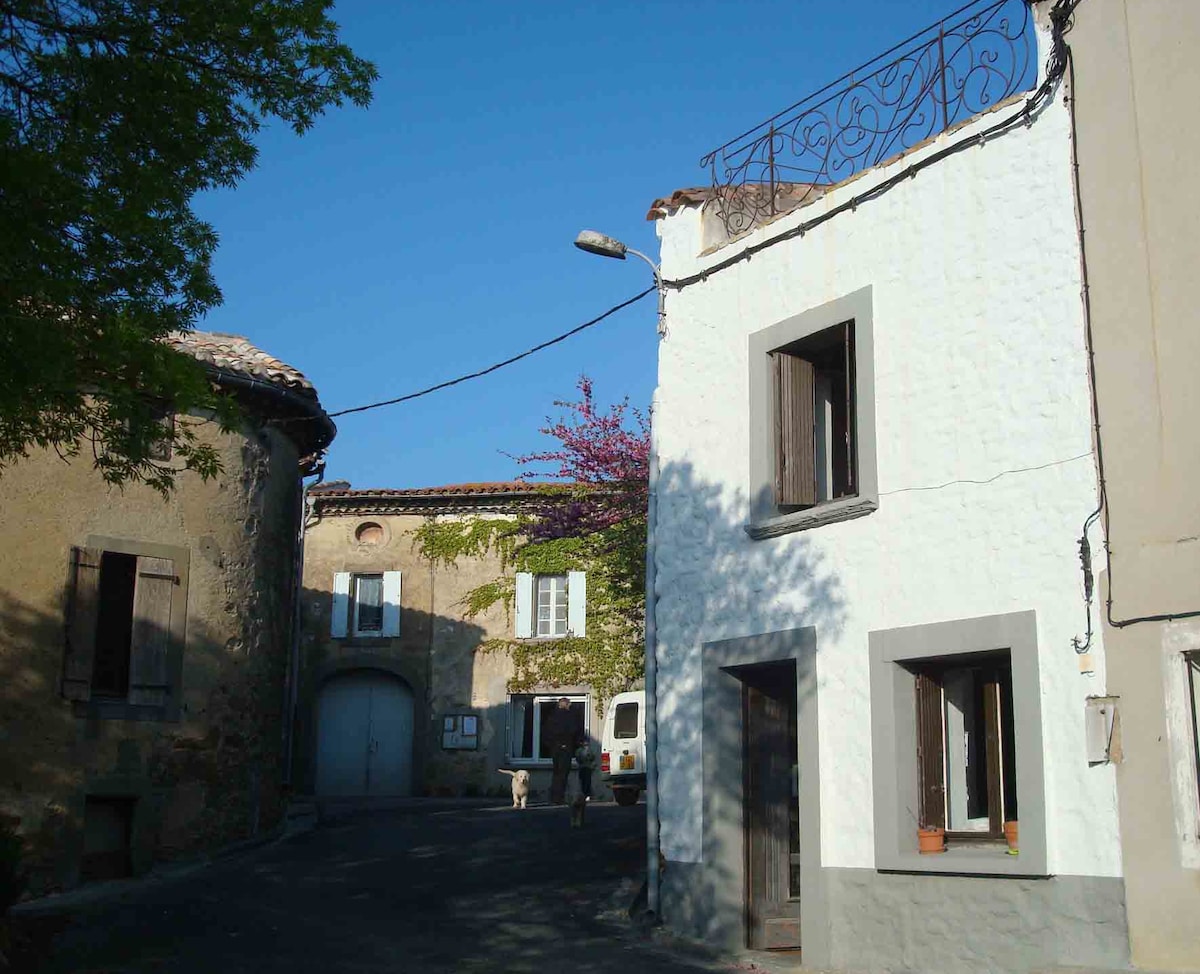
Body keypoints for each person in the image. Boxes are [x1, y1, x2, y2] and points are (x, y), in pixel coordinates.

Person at [542, 697, 577, 805]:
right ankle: (559, 797)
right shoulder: (568, 716)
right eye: (569, 704)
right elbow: (573, 731)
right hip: (565, 748)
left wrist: (552, 745)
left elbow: (546, 733)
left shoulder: (552, 717)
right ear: (565, 704)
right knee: (563, 773)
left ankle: (554, 797)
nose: (570, 706)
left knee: (556, 772)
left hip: (555, 749)